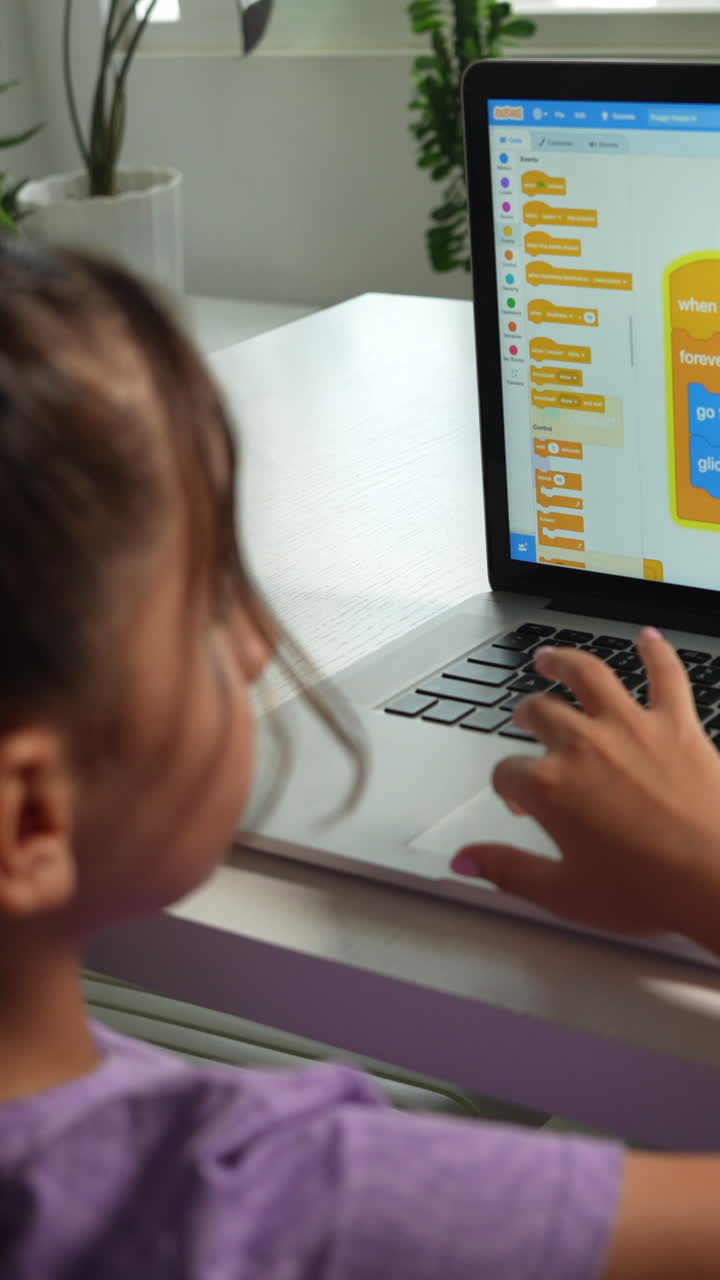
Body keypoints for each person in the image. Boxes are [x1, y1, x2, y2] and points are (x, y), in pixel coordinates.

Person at [0, 239, 717, 1280]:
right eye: (215, 588)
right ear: (30, 817)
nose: (262, 645)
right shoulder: (304, 1203)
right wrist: (706, 867)